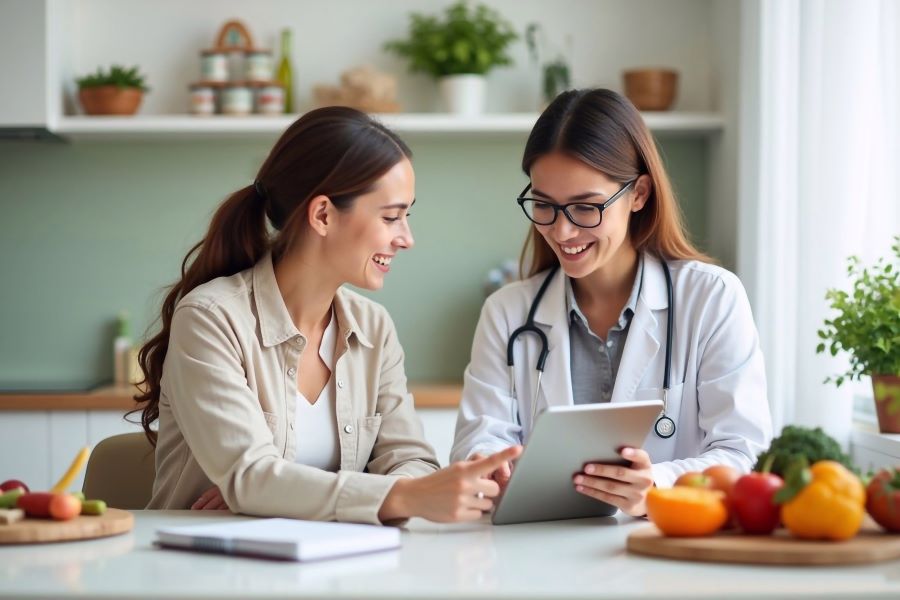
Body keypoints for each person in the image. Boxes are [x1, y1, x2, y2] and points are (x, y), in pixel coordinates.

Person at [136, 106, 521, 525]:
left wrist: (283, 494)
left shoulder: (374, 328)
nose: (406, 238)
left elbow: (413, 463)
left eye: (406, 216)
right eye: (391, 217)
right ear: (322, 215)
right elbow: (251, 477)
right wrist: (267, 491)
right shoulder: (211, 319)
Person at [450, 89, 772, 517]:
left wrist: (657, 484)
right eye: (545, 205)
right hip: (536, 556)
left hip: (666, 553)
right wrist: (487, 466)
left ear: (638, 194)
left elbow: (744, 452)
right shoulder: (507, 313)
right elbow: (479, 442)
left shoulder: (711, 298)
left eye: (585, 208)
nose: (562, 232)